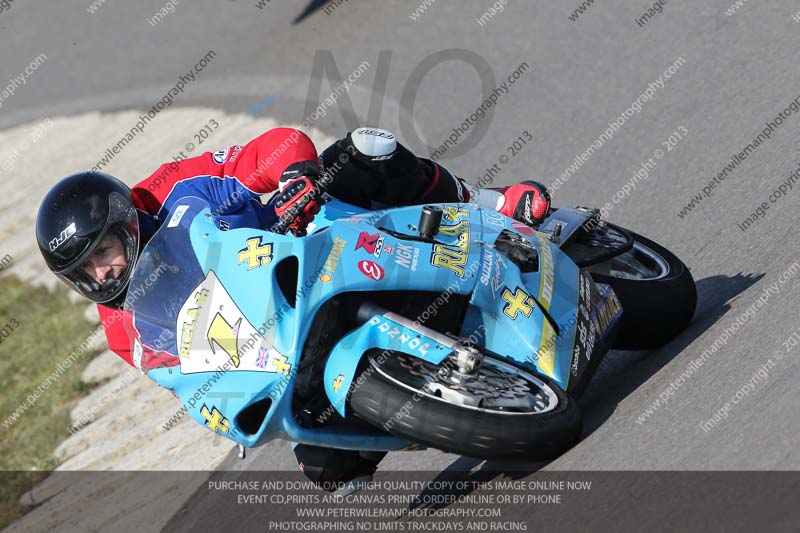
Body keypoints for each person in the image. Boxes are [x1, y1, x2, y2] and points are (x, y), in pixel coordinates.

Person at [35, 126, 552, 488]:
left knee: (363, 149)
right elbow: (194, 378)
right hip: (280, 342)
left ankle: (488, 203)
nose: (102, 273)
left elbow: (277, 145)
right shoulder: (124, 334)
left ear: (126, 220)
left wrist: (294, 177)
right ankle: (426, 399)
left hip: (307, 242)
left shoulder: (172, 187)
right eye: (85, 270)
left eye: (103, 251)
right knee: (327, 469)